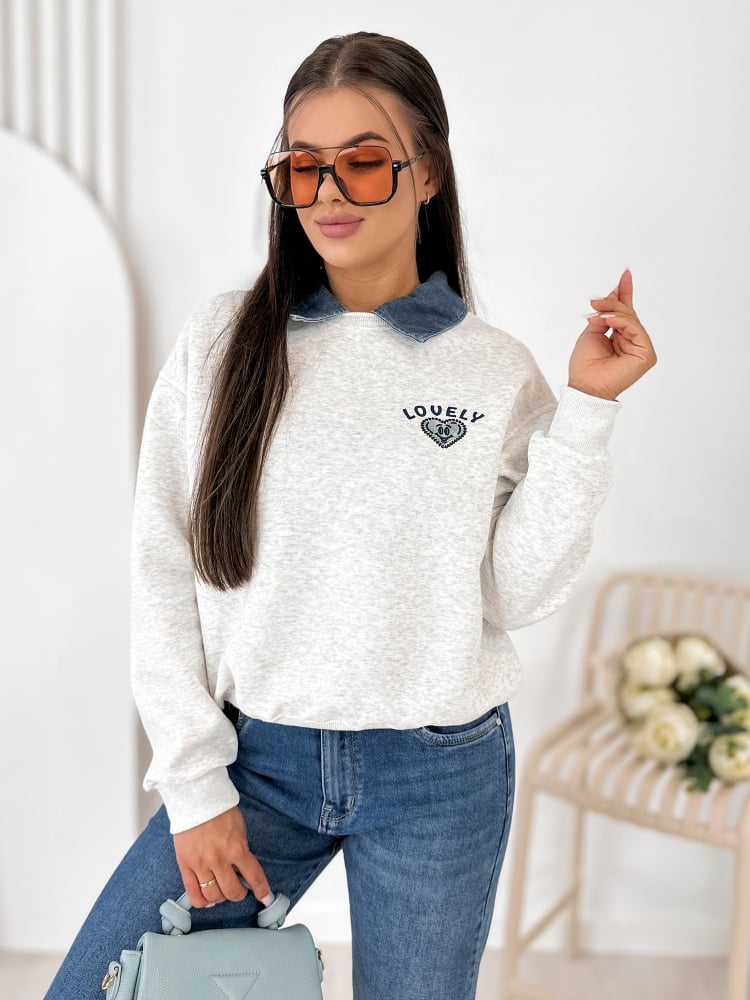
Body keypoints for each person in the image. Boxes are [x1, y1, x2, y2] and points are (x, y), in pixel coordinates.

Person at [44, 29, 656, 1000]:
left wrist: (587, 411)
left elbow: (515, 595)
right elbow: (163, 567)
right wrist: (195, 788)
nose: (328, 192)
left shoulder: (492, 371)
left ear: (427, 173)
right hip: (256, 761)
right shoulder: (222, 343)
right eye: (303, 167)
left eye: (364, 161)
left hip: (440, 773)